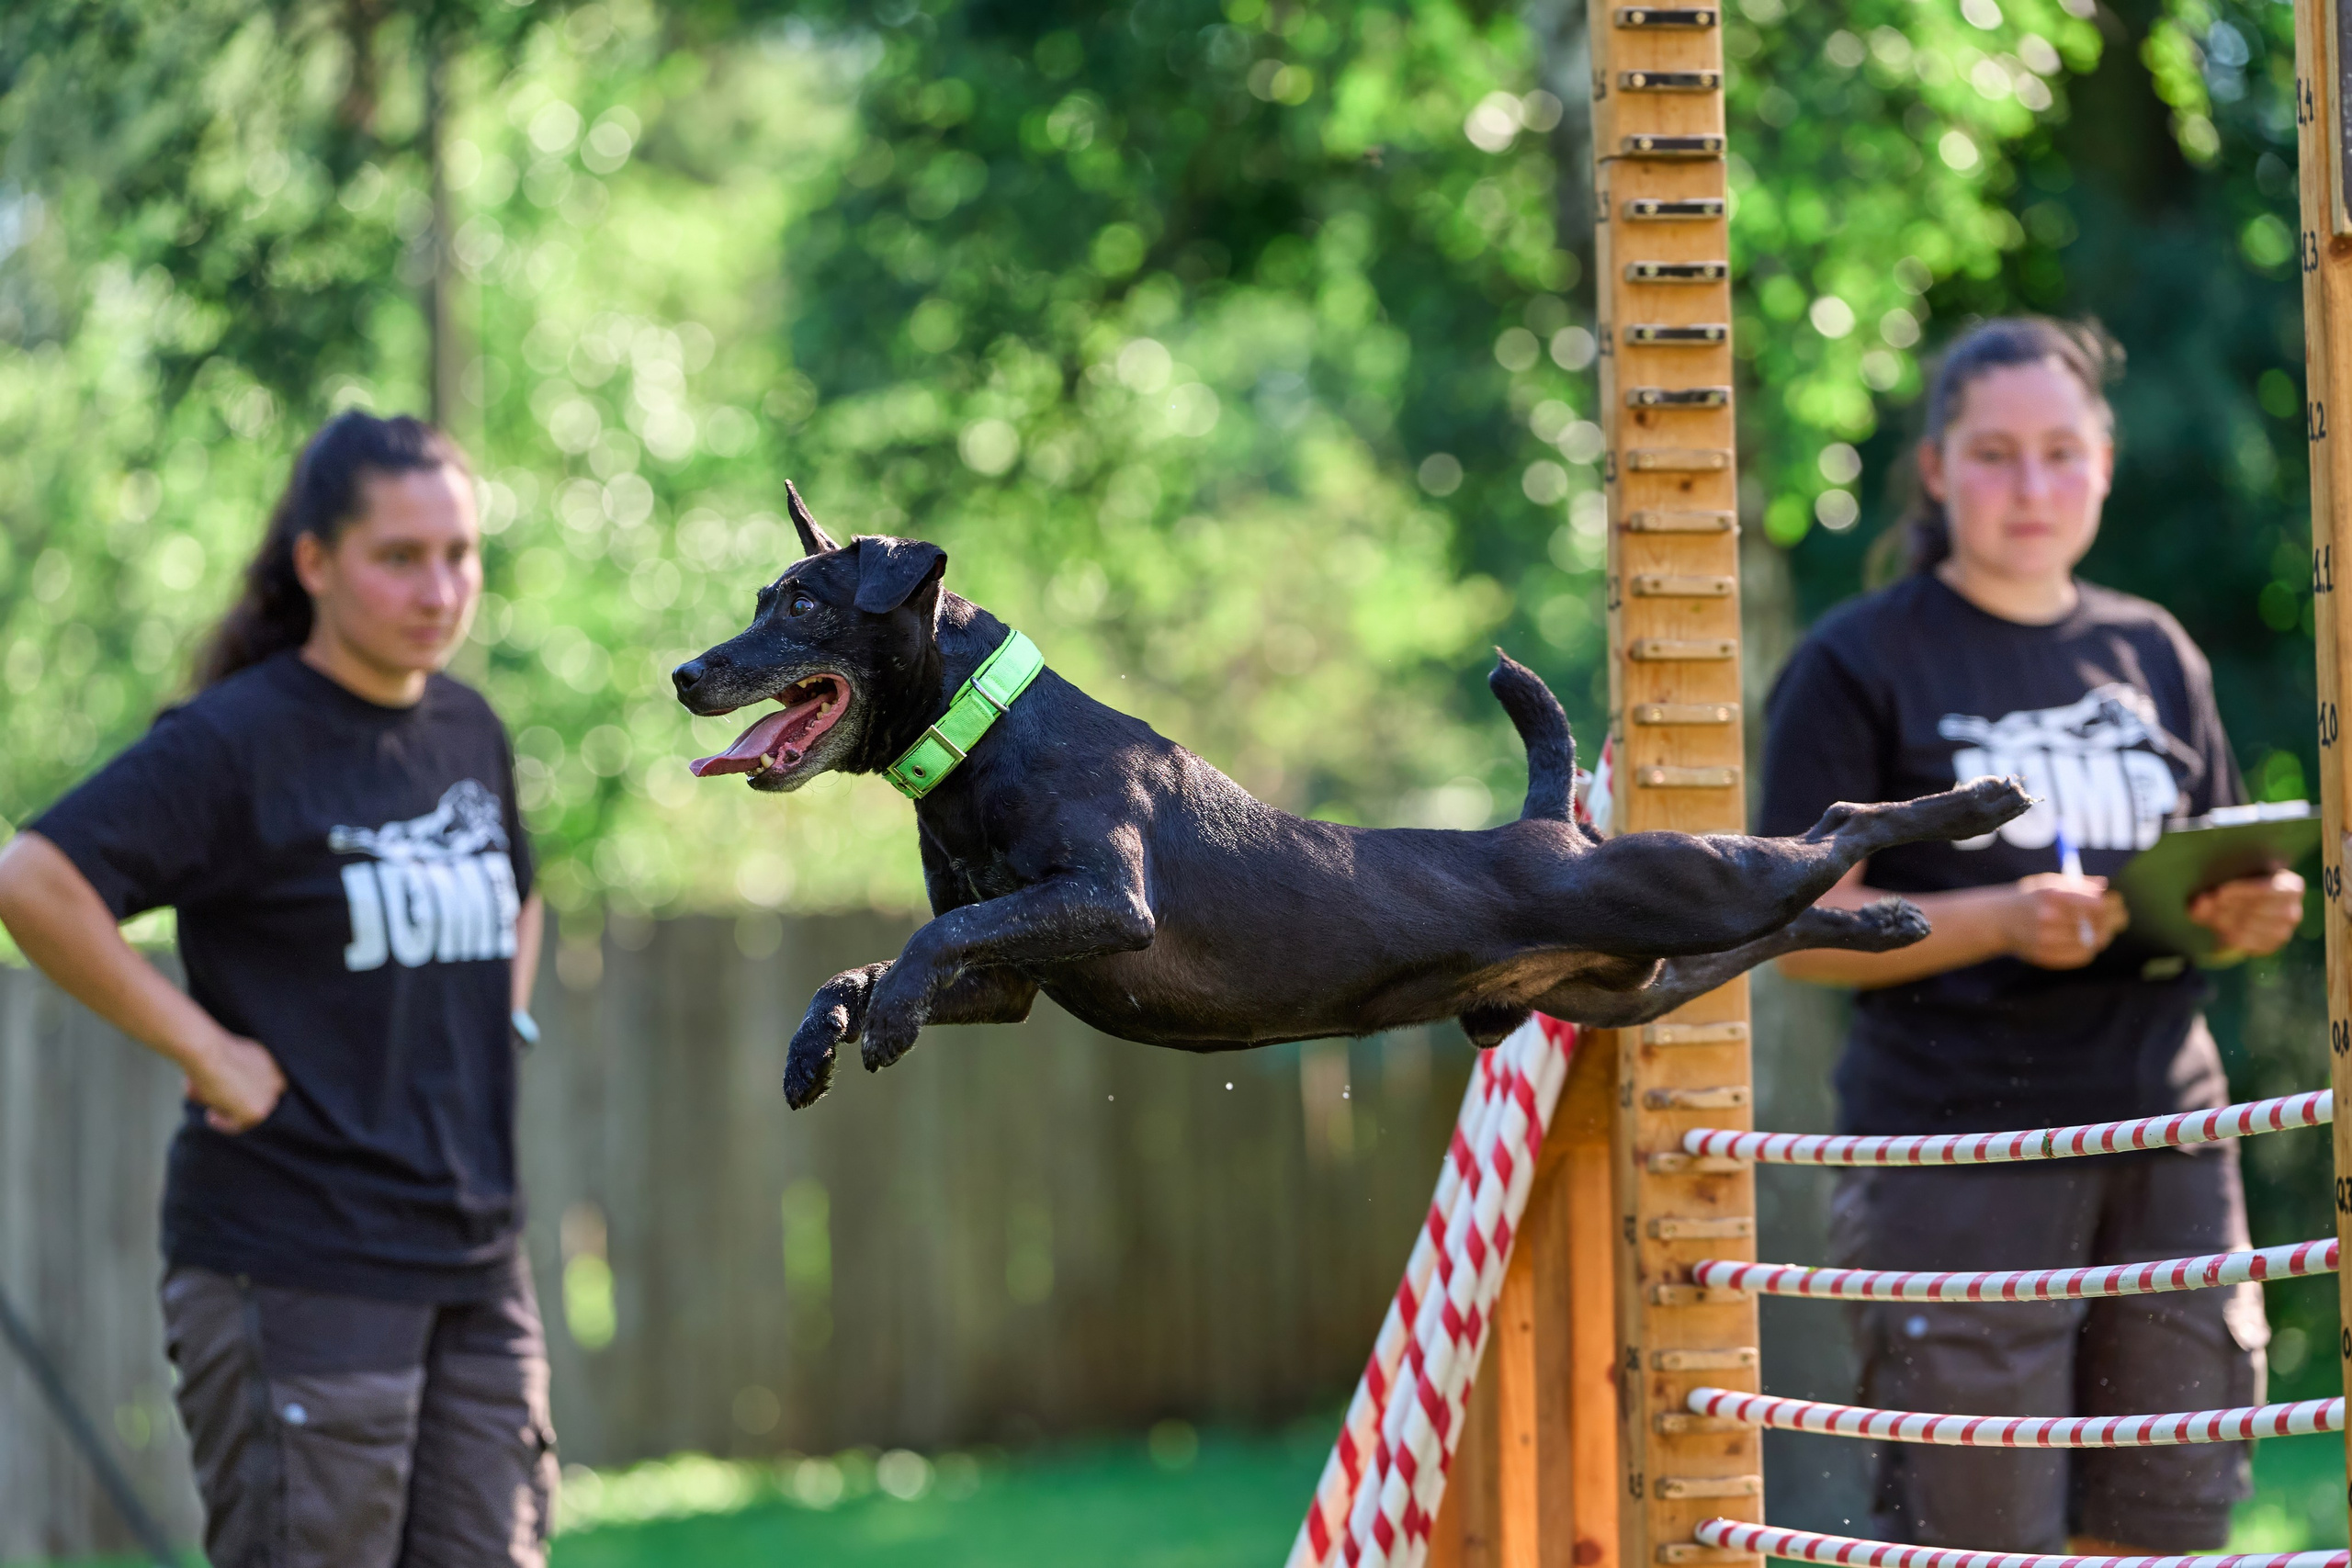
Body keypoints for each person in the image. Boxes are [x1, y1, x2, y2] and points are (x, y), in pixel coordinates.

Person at [1759, 318, 2304, 1554]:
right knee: (1982, 1538)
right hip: (1957, 1155)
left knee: (2167, 1526)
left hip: (2171, 1141)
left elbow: (2217, 868)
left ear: (2104, 465)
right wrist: (1997, 919)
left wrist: (2248, 911)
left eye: (2062, 452)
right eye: (1996, 454)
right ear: (1940, 470)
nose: (2031, 485)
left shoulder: (2153, 647)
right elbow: (1793, 928)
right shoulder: (1857, 659)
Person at [0, 412, 558, 1565]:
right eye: (398, 556)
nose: (439, 587)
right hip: (298, 1259)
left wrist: (500, 1012)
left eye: (459, 553)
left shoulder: (468, 729)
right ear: (315, 562)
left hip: (474, 1260)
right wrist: (210, 1054)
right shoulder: (237, 741)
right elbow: (36, 881)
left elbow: (521, 892)